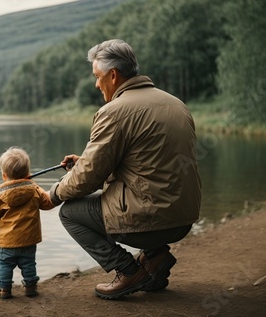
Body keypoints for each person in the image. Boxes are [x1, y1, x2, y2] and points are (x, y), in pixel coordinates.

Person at [49, 39, 201, 300]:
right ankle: (154, 258)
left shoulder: (114, 111)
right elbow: (145, 165)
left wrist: (52, 195)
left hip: (152, 223)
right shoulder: (176, 104)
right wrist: (85, 160)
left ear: (113, 75)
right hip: (184, 219)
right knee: (129, 200)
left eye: (97, 77)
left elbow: (87, 179)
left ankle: (129, 271)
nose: (97, 84)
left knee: (70, 212)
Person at [0, 146, 55, 299]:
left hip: (7, 241)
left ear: (4, 175)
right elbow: (47, 204)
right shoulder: (35, 190)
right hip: (29, 239)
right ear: (28, 173)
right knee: (29, 264)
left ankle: (5, 289)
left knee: (5, 265)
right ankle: (30, 287)